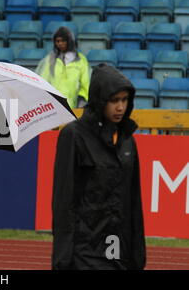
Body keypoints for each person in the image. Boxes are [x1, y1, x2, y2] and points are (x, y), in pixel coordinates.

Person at [51, 63, 146, 270]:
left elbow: (133, 202)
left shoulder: (127, 141)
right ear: (100, 99)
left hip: (120, 252)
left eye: (124, 100)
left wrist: (138, 255)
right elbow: (64, 203)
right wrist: (62, 260)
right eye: (114, 101)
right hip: (84, 253)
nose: (120, 107)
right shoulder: (73, 136)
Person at [35, 26, 90, 109]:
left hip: (73, 107)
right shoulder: (50, 59)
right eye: (57, 41)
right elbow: (42, 81)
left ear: (69, 41)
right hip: (52, 107)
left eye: (63, 41)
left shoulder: (81, 60)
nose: (60, 43)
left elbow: (86, 84)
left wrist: (82, 100)